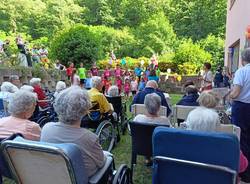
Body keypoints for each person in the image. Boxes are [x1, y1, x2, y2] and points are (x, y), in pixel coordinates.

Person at [40, 86, 106, 178]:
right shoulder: (89, 137)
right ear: (85, 109)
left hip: (55, 175)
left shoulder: (46, 128)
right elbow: (101, 162)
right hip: (83, 178)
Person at [184, 100, 248, 183]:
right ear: (217, 127)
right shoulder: (229, 147)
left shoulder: (182, 146)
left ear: (188, 126)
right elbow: (243, 166)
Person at [230, 48, 250, 182]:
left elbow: (236, 93)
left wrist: (228, 95)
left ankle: (245, 172)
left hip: (242, 107)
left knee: (241, 137)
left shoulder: (242, 71)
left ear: (242, 59)